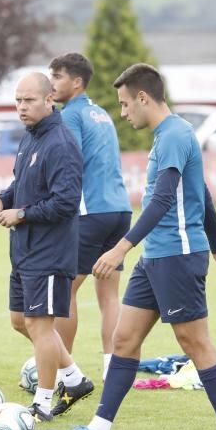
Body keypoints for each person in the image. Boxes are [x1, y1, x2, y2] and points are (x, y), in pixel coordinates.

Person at [46, 63, 216, 430]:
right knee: (124, 339)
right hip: (156, 256)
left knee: (195, 342)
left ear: (143, 97)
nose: (122, 113)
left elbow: (163, 199)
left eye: (125, 104)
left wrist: (122, 246)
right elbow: (202, 194)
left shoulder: (174, 135)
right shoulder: (166, 136)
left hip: (176, 256)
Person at [0, 72, 84, 422]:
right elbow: (21, 184)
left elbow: (66, 202)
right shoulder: (30, 138)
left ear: (49, 99)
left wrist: (22, 214)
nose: (22, 107)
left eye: (29, 100)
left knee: (40, 326)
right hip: (24, 250)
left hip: (50, 252)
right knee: (19, 321)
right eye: (18, 101)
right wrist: (1, 199)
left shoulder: (61, 143)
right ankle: (74, 378)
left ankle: (42, 403)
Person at [49, 52, 130, 401]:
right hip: (119, 210)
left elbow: (69, 164)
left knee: (65, 292)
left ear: (77, 82)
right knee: (108, 294)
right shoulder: (102, 114)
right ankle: (114, 367)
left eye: (57, 77)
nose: (51, 83)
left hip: (89, 212)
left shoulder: (69, 116)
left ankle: (58, 372)